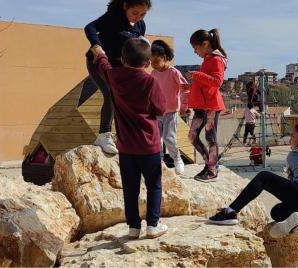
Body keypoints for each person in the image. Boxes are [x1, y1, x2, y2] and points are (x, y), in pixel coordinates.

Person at [207, 122, 298, 238]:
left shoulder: (294, 155)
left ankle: (230, 212)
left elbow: (293, 183)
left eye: (293, 136)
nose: (290, 139)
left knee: (264, 177)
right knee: (277, 211)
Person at [90, 38, 167, 239]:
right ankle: (153, 224)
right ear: (148, 62)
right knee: (154, 185)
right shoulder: (150, 81)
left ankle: (133, 227)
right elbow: (160, 109)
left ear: (123, 60)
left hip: (125, 147)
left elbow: (102, 64)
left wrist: (99, 52)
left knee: (130, 188)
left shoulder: (113, 76)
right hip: (148, 145)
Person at [84, 0, 152, 155]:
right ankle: (103, 135)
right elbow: (90, 27)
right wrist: (96, 45)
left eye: (143, 14)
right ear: (125, 6)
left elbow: (137, 45)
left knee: (126, 99)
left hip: (120, 67)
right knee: (110, 93)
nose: (138, 17)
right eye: (134, 13)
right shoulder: (113, 16)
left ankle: (120, 135)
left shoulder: (140, 26)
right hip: (98, 62)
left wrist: (144, 58)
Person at [186, 29, 228, 182]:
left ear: (204, 44)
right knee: (192, 136)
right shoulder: (208, 59)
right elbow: (206, 83)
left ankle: (212, 169)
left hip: (210, 106)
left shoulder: (216, 59)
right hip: (200, 107)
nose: (195, 52)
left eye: (195, 48)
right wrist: (190, 86)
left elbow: (217, 82)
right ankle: (211, 164)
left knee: (210, 137)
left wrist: (196, 75)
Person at [150, 40, 189, 176]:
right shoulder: (154, 73)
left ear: (165, 58)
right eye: (151, 62)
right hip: (157, 111)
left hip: (171, 111)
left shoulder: (174, 72)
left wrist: (184, 106)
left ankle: (177, 159)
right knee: (156, 138)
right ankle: (159, 161)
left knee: (169, 138)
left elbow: (185, 89)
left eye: (156, 62)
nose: (153, 65)